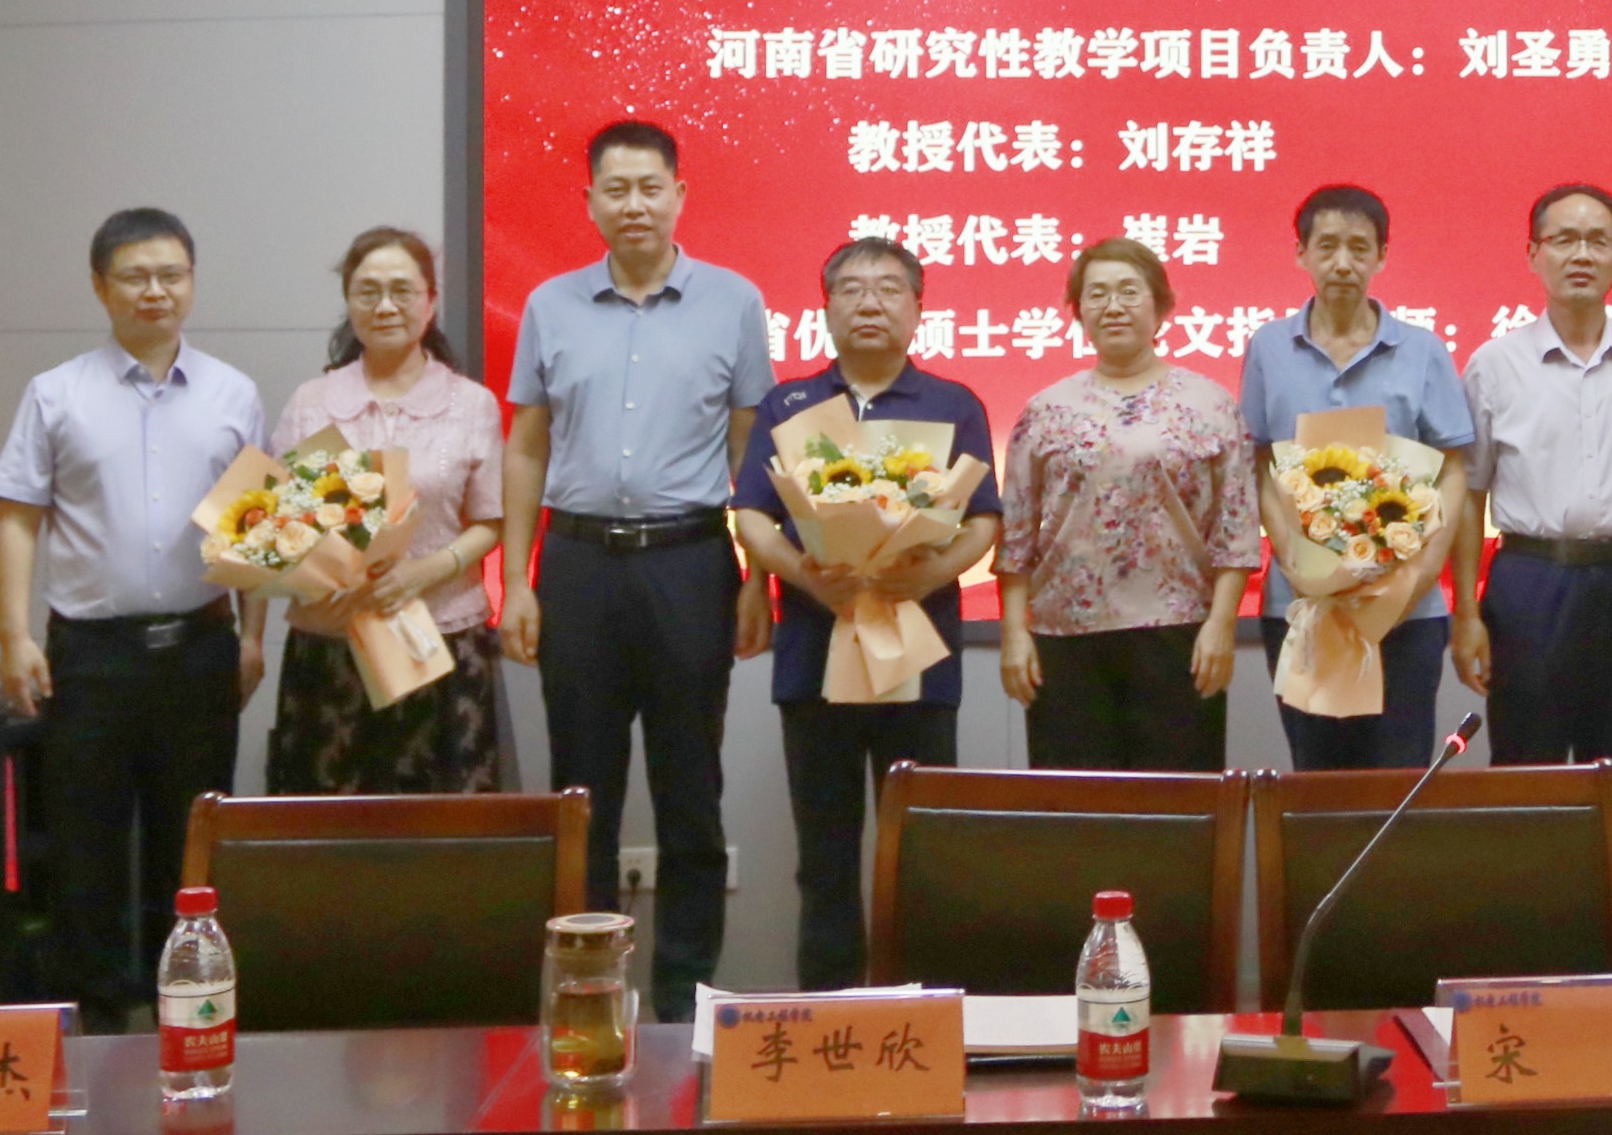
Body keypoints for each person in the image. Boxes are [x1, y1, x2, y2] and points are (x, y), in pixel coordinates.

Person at [501, 121, 772, 1020]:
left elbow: (750, 451)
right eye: (615, 190)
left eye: (650, 187)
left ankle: (683, 1005)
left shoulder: (733, 301)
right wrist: (518, 580)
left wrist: (756, 579)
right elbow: (527, 446)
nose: (634, 205)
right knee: (583, 795)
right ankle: (591, 997)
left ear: (679, 194)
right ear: (589, 203)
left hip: (690, 563)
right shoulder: (550, 305)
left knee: (692, 792)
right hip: (578, 564)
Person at [0, 207, 266, 1028]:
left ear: (192, 282)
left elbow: (255, 527)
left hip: (200, 647)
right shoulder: (56, 394)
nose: (155, 291)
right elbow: (17, 521)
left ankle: (190, 1013)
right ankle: (100, 1020)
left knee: (194, 846)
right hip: (90, 655)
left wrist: (253, 637)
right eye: (136, 276)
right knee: (86, 848)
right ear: (100, 286)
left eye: (171, 275)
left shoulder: (233, 393)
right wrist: (13, 636)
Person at [731, 237, 1002, 990]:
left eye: (888, 289)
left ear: (917, 309)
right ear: (826, 310)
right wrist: (808, 577)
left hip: (921, 660)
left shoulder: (953, 404)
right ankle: (831, 1017)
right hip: (813, 657)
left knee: (922, 855)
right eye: (851, 289)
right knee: (825, 860)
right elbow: (751, 514)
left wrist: (929, 575)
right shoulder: (790, 404)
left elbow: (983, 517)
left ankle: (924, 1013)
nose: (869, 303)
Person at [1452, 184, 1612, 819]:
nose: (1582, 255)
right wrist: (1466, 612)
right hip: (1529, 583)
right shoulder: (1494, 365)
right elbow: (1468, 494)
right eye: (1564, 240)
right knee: (1525, 785)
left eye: (1598, 241)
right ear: (1533, 254)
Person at [247, 228, 507, 796]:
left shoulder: (472, 404)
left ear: (430, 301)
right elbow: (267, 530)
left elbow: (491, 521)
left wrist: (425, 571)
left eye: (401, 290)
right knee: (328, 824)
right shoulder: (311, 402)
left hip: (441, 641)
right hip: (330, 644)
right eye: (367, 291)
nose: (385, 306)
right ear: (349, 301)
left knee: (441, 824)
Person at [998, 238, 1262, 771]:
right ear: (1079, 312)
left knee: (1178, 803)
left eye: (1128, 292)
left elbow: (1236, 531)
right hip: (1065, 636)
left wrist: (1221, 625)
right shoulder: (1046, 410)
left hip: (1179, 632)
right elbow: (1016, 536)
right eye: (1097, 295)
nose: (1113, 306)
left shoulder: (1209, 404)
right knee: (1077, 805)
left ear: (1161, 307)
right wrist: (1012, 634)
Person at [1236, 184, 1475, 770]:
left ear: (1382, 256)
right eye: (1327, 246)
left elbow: (1453, 469)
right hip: (1301, 609)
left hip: (1407, 613)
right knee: (1316, 779)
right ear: (1301, 253)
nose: (1343, 263)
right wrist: (1294, 561)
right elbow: (1261, 462)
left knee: (1397, 779)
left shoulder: (1422, 350)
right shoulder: (1268, 348)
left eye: (1359, 248)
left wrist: (1420, 576)